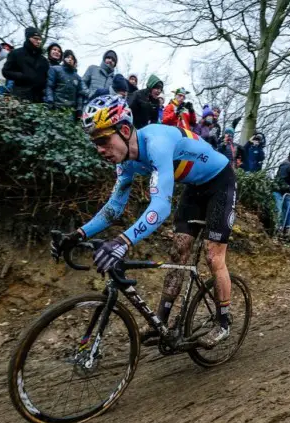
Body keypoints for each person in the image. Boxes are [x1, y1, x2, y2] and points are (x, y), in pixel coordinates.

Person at [50, 95, 236, 348]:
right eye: (95, 143)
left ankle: (223, 322)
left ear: (125, 130)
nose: (100, 149)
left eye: (103, 140)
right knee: (178, 249)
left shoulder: (156, 142)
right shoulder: (126, 163)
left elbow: (160, 207)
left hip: (219, 182)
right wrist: (78, 235)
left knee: (213, 256)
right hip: (194, 186)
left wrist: (122, 242)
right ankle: (161, 322)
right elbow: (114, 208)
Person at [2, 27, 49, 102]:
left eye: (40, 39)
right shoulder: (16, 54)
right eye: (35, 38)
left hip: (38, 99)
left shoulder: (44, 60)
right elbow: (5, 71)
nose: (38, 41)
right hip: (20, 97)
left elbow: (47, 79)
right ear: (28, 38)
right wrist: (22, 76)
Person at [44, 49, 87, 119]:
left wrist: (79, 109)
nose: (70, 59)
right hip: (56, 108)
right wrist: (50, 101)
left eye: (72, 58)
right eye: (68, 57)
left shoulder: (77, 77)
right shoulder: (55, 69)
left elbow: (80, 94)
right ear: (64, 59)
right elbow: (49, 86)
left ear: (75, 61)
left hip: (70, 112)